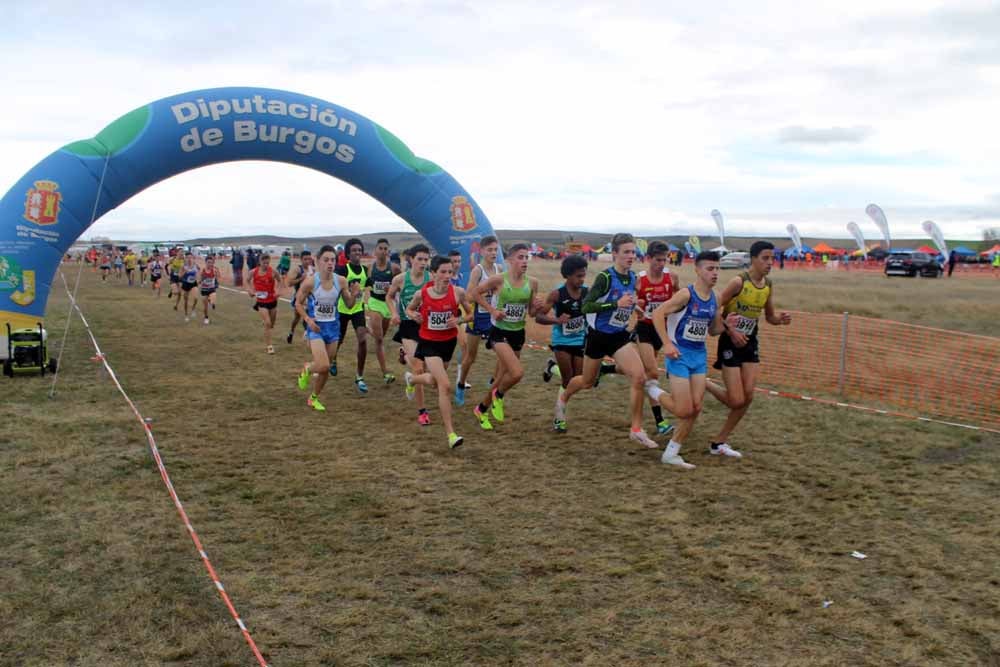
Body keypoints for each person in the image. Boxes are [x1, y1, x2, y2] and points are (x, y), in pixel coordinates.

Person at [553, 233, 657, 448]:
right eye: (626, 252)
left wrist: (634, 306)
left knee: (639, 377)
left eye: (633, 251)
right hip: (598, 336)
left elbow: (624, 301)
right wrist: (615, 305)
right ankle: (562, 399)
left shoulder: (633, 278)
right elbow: (586, 307)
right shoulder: (605, 278)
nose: (631, 256)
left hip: (618, 335)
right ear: (615, 254)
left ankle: (636, 429)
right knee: (587, 382)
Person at [703, 241, 792, 458]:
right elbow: (714, 308)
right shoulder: (738, 282)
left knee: (748, 395)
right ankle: (703, 382)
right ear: (753, 259)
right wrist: (730, 329)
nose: (770, 263)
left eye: (772, 258)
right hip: (729, 341)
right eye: (765, 258)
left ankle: (719, 442)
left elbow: (769, 316)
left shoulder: (768, 285)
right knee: (736, 400)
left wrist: (780, 319)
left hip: (750, 342)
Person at [649, 251, 732, 469]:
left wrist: (726, 324)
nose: (715, 273)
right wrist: (667, 343)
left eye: (717, 269)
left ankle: (671, 453)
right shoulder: (686, 295)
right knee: (684, 410)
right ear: (697, 270)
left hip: (699, 356)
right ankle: (651, 390)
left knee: (695, 408)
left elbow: (713, 330)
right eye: (710, 268)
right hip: (679, 354)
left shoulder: (715, 298)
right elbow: (658, 313)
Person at [469, 243, 541, 430]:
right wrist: (492, 310)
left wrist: (537, 306)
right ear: (510, 260)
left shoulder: (532, 282)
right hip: (499, 332)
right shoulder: (498, 280)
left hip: (518, 332)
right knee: (517, 373)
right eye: (520, 257)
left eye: (527, 257)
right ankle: (498, 396)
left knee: (502, 376)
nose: (525, 261)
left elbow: (531, 312)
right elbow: (475, 293)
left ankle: (481, 408)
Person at [404, 255, 473, 448]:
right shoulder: (422, 294)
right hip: (428, 343)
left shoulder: (458, 292)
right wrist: (414, 315)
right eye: (442, 272)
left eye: (450, 272)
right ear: (432, 273)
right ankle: (451, 434)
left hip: (447, 343)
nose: (447, 276)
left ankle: (412, 379)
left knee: (434, 381)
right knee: (445, 384)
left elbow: (471, 314)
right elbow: (408, 310)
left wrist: (458, 321)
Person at [295, 245, 360, 411]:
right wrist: (308, 320)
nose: (330, 263)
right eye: (326, 260)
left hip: (333, 328)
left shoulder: (341, 281)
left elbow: (349, 304)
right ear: (318, 261)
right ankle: (308, 368)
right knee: (322, 365)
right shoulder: (310, 282)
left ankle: (313, 398)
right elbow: (298, 303)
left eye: (333, 260)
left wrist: (355, 294)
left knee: (327, 368)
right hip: (316, 328)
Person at [534, 254, 588, 432]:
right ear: (568, 275)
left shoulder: (587, 293)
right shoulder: (557, 294)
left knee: (577, 380)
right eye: (578, 276)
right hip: (562, 341)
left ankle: (551, 368)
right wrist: (557, 321)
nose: (582, 279)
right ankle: (559, 419)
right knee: (567, 379)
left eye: (583, 275)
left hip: (580, 339)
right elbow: (539, 317)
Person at [634, 240, 678, 436]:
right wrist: (638, 306)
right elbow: (632, 304)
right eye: (658, 260)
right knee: (652, 373)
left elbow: (679, 301)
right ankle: (660, 421)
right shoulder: (639, 280)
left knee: (643, 373)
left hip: (663, 330)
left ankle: (606, 368)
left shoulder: (672, 278)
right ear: (648, 258)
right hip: (644, 329)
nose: (662, 264)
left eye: (664, 259)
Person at [387, 244, 432, 425]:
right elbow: (389, 297)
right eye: (419, 259)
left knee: (427, 369)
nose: (423, 263)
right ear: (411, 259)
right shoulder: (400, 279)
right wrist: (394, 313)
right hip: (407, 327)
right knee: (419, 367)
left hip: (427, 328)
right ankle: (422, 412)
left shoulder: (431, 279)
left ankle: (411, 379)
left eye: (426, 259)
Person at [456, 235, 501, 406]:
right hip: (478, 317)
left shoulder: (499, 269)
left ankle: (493, 382)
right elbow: (468, 295)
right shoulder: (478, 270)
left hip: (493, 317)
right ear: (482, 251)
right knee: (470, 357)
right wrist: (485, 291)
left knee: (503, 353)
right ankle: (461, 384)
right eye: (489, 249)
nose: (493, 252)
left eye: (495, 249)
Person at [331, 238, 370, 393]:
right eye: (354, 250)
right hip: (342, 310)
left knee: (362, 339)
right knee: (338, 340)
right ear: (348, 253)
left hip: (357, 310)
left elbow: (371, 286)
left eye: (359, 250)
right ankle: (333, 359)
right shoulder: (342, 270)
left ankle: (359, 376)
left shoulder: (365, 271)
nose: (357, 253)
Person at [364, 238, 399, 384]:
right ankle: (385, 373)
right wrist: (365, 301)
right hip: (374, 303)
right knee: (379, 340)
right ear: (375, 251)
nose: (383, 251)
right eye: (381, 248)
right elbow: (365, 285)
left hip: (387, 304)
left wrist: (391, 290)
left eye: (386, 249)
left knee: (381, 336)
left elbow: (401, 285)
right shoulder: (370, 268)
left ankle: (367, 329)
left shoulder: (394, 268)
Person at [247, 252, 281, 354]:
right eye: (264, 263)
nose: (266, 265)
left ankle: (267, 325)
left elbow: (280, 281)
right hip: (261, 302)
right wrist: (250, 290)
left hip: (272, 300)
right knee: (267, 323)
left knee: (271, 324)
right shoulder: (253, 272)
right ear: (260, 262)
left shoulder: (273, 272)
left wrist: (278, 291)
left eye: (268, 263)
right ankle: (269, 346)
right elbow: (247, 281)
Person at [284, 250, 315, 343]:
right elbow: (289, 283)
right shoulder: (297, 269)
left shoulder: (312, 269)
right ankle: (291, 332)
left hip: (310, 297)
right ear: (301, 260)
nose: (307, 261)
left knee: (311, 314)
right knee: (297, 317)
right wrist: (301, 278)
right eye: (305, 259)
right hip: (299, 297)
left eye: (309, 259)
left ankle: (308, 333)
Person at [175, 252, 200, 321]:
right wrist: (184, 272)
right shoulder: (183, 266)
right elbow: (179, 276)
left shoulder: (195, 265)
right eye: (188, 258)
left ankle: (193, 309)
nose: (189, 259)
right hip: (186, 284)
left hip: (193, 283)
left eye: (191, 257)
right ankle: (186, 315)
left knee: (196, 298)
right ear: (185, 258)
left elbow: (198, 272)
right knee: (186, 300)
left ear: (192, 258)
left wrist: (198, 279)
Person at [197, 255, 219, 325]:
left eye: (211, 263)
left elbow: (217, 278)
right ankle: (206, 317)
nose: (210, 264)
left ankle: (211, 301)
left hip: (212, 289)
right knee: (205, 306)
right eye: (208, 262)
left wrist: (216, 282)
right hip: (204, 290)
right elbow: (199, 280)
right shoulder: (202, 271)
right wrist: (198, 282)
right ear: (205, 262)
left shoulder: (214, 270)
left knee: (213, 301)